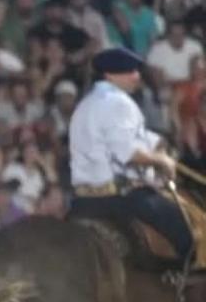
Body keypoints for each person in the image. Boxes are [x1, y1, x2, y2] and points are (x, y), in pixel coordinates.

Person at [67, 48, 192, 261]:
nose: (137, 76)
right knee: (189, 229)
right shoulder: (118, 101)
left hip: (83, 200)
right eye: (129, 71)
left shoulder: (86, 104)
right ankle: (184, 283)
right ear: (110, 75)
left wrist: (158, 144)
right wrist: (162, 160)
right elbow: (127, 152)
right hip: (119, 197)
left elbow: (132, 136)